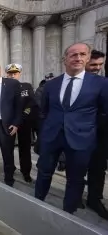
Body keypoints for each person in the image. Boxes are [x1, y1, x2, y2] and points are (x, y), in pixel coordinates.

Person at [34, 43, 108, 214]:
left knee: (75, 179)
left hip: (81, 140)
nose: (78, 58)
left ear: (88, 58)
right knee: (44, 173)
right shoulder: (51, 85)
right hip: (51, 138)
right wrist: (44, 134)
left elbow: (104, 113)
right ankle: (37, 204)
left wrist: (89, 130)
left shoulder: (101, 84)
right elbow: (43, 112)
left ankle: (68, 213)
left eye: (82, 54)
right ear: (64, 59)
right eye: (73, 55)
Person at [84, 49, 108, 219]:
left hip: (100, 135)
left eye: (100, 64)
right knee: (75, 168)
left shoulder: (105, 83)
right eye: (93, 64)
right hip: (77, 134)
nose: (96, 68)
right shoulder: (73, 82)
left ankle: (95, 198)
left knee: (98, 169)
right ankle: (75, 196)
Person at [6, 63, 38, 183]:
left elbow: (31, 103)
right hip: (9, 122)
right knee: (8, 148)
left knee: (24, 148)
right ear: (7, 75)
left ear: (19, 74)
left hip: (24, 122)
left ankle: (26, 172)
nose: (12, 75)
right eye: (10, 73)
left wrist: (22, 117)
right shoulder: (4, 88)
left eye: (15, 73)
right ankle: (10, 168)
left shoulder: (26, 86)